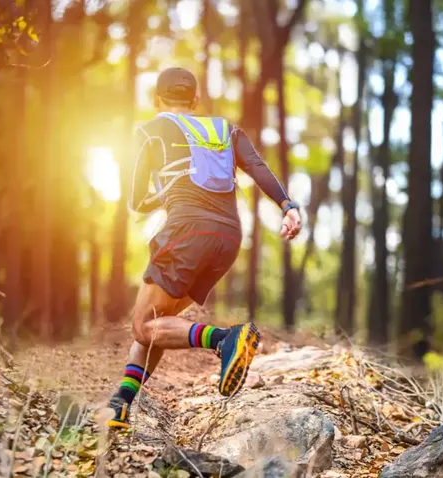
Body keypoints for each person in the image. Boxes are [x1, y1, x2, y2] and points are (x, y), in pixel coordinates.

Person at [101, 67, 304, 432]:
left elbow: (136, 198)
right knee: (159, 322)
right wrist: (288, 206)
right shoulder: (225, 128)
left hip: (186, 232)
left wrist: (164, 195)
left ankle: (225, 339)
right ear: (195, 101)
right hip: (228, 238)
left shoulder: (150, 130)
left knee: (142, 325)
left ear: (156, 100)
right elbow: (256, 166)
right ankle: (120, 406)